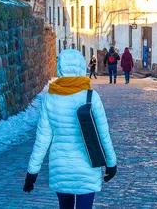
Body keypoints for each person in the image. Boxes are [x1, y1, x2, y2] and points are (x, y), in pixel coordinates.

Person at [23, 49, 117, 209]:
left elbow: (42, 139)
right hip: (87, 166)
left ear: (60, 68)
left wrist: (32, 172)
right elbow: (103, 134)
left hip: (61, 168)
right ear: (81, 68)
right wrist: (111, 163)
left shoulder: (50, 98)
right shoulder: (91, 97)